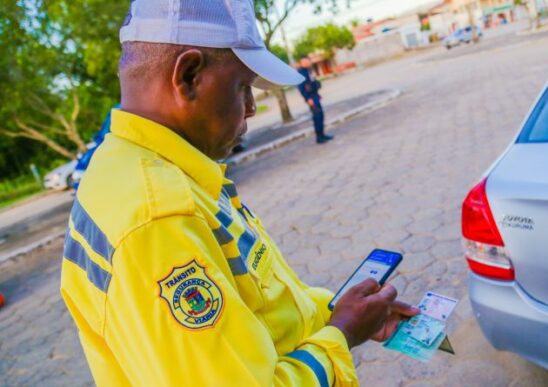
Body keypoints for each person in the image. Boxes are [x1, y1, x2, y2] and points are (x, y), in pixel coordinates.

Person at [59, 0, 418, 386]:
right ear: (189, 75)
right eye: (243, 86)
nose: (250, 107)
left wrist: (343, 311)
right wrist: (343, 332)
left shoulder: (130, 167)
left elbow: (259, 305)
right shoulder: (159, 218)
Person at [298, 58, 333, 144]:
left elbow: (312, 83)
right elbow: (301, 88)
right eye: (307, 61)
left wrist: (317, 94)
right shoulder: (301, 73)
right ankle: (319, 138)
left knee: (320, 115)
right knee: (317, 117)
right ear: (302, 62)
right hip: (311, 98)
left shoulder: (308, 71)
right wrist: (307, 99)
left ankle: (322, 134)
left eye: (309, 61)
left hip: (315, 96)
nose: (309, 62)